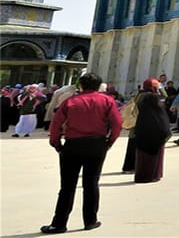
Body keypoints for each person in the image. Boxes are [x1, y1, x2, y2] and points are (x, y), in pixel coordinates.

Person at [41, 72, 121, 234]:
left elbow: (56, 124)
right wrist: (109, 142)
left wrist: (56, 144)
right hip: (97, 144)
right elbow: (117, 123)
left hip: (73, 145)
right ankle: (90, 220)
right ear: (99, 86)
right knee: (91, 184)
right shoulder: (107, 101)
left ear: (80, 86)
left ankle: (59, 223)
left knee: (67, 186)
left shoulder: (70, 102)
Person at [130, 79, 170, 184]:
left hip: (142, 126)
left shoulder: (140, 95)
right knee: (153, 154)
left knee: (143, 154)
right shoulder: (152, 97)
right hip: (154, 127)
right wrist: (161, 88)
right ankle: (152, 175)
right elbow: (164, 98)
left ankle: (143, 175)